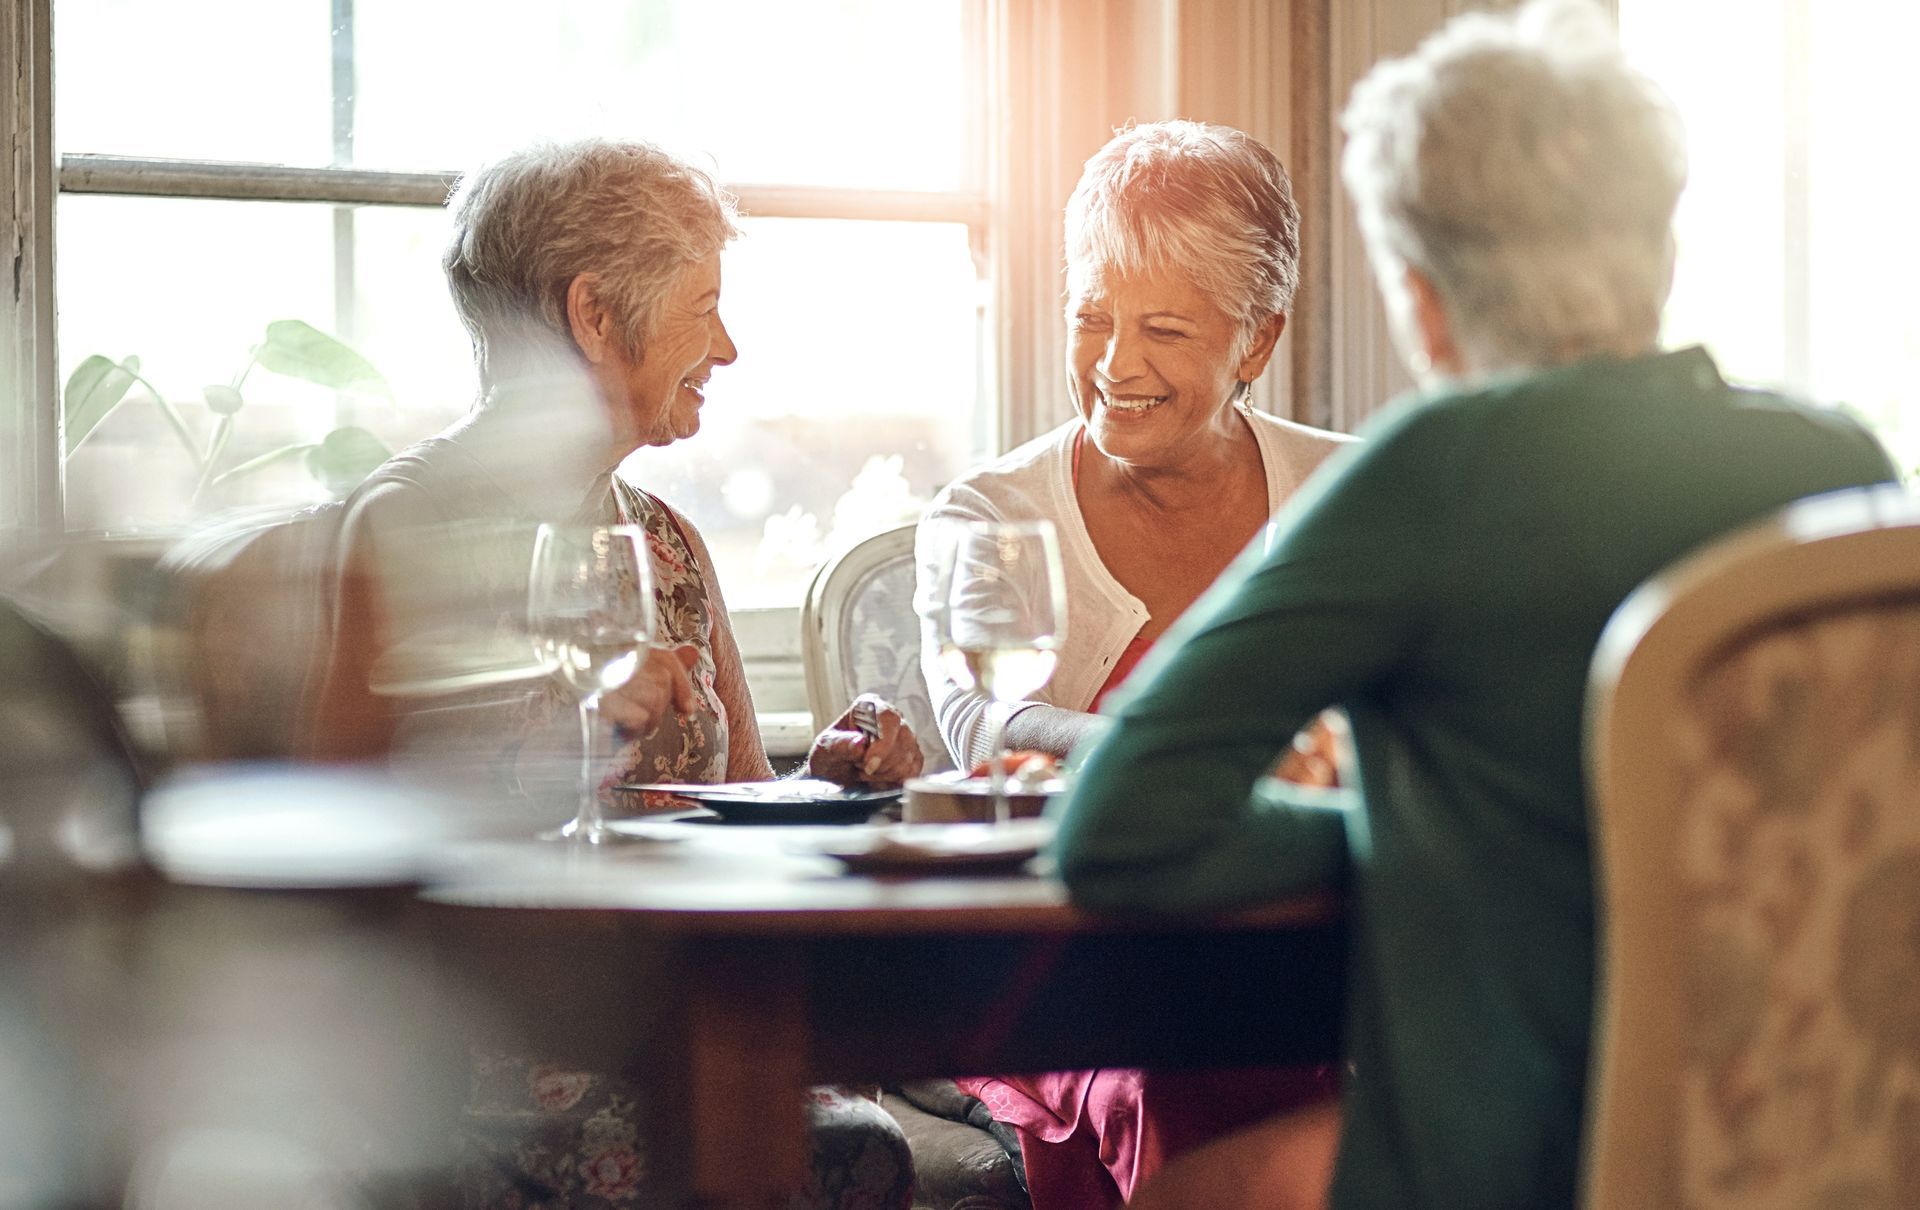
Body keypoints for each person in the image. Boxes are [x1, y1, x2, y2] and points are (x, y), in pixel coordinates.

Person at [1054, 4, 1901, 1209]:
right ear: (1660, 249)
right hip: (1818, 1147)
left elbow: (1119, 827)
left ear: (1422, 298)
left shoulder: (1431, 470)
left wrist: (1407, 842)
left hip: (1512, 1167)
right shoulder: (1838, 460)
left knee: (1188, 1190)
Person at [320, 138, 921, 1209]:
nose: (728, 346)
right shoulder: (402, 531)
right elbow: (344, 849)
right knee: (848, 1148)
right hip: (475, 1053)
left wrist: (829, 783)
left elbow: (739, 802)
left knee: (860, 1137)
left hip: (674, 1016)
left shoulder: (669, 546)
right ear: (595, 315)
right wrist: (570, 742)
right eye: (703, 307)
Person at [914, 120, 1352, 1208]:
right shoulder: (992, 513)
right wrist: (1195, 756)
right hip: (1061, 971)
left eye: (1162, 327)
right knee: (1175, 1079)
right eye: (1092, 317)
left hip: (1293, 953)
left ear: (1256, 340)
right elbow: (982, 727)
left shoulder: (1350, 495)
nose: (1115, 364)